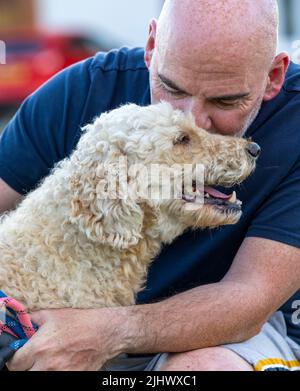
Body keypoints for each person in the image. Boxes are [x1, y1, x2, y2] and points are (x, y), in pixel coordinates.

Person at [1, 0, 300, 371]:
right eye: (170, 87)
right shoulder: (81, 89)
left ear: (273, 76)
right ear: (152, 46)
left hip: (233, 333)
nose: (190, 118)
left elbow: (247, 303)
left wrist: (108, 331)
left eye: (226, 100)